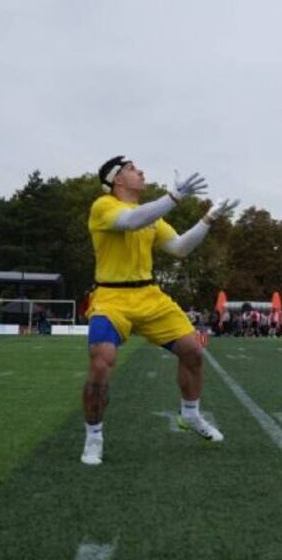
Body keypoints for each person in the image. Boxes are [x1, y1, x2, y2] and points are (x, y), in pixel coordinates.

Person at [80, 155, 239, 466]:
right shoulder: (103, 206)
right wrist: (175, 197)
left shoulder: (152, 214)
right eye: (130, 169)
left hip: (149, 295)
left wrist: (209, 218)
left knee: (193, 351)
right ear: (116, 180)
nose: (139, 172)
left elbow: (179, 248)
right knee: (101, 363)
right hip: (111, 298)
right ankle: (94, 436)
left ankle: (190, 416)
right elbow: (130, 221)